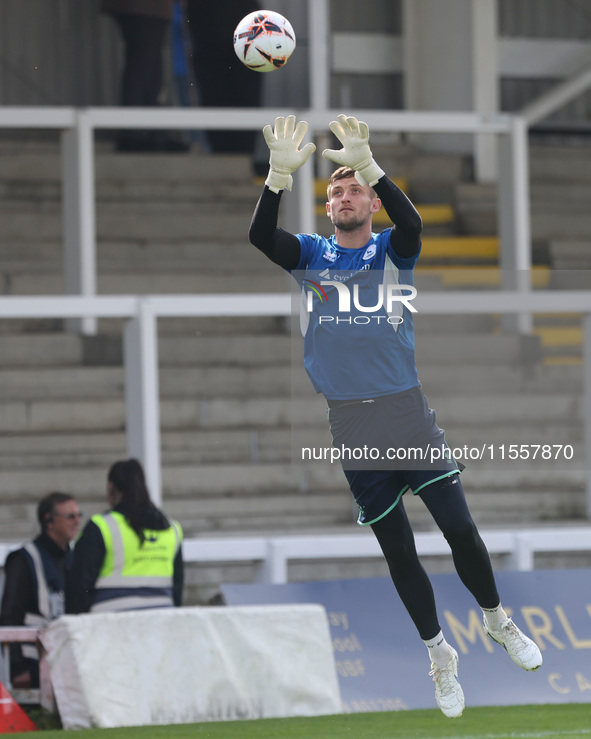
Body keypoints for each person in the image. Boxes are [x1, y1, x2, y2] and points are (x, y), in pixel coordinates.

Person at [248, 113, 543, 718]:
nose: (344, 194)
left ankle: (497, 620)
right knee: (400, 554)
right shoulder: (309, 255)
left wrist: (372, 166)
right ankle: (440, 657)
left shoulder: (392, 247)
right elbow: (260, 238)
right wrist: (277, 179)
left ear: (372, 203)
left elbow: (412, 220)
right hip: (352, 425)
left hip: (405, 412)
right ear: (328, 209)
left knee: (460, 530)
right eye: (336, 191)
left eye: (353, 187)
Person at [66, 458, 183, 613]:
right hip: (159, 621)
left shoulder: (102, 526)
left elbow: (80, 586)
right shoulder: (172, 529)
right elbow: (177, 587)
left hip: (110, 622)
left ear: (110, 488)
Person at [0, 492, 82, 689]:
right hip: (33, 662)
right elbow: (10, 615)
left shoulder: (74, 559)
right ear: (49, 521)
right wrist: (18, 667)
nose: (77, 521)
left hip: (68, 657)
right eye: (70, 516)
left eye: (79, 515)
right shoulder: (23, 559)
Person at [101, 0, 189, 151]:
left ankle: (149, 132)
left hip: (148, 8)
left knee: (149, 67)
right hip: (145, 7)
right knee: (143, 65)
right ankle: (134, 134)